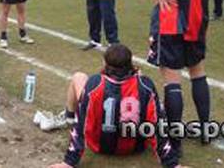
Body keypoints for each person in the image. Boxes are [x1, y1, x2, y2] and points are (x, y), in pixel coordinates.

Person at [133, 0, 213, 153]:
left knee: (171, 80)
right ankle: (205, 130)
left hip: (171, 15)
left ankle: (175, 141)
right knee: (198, 71)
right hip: (198, 14)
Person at [49, 44, 181, 168]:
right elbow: (157, 123)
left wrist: (69, 162)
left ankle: (68, 117)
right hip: (136, 146)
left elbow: (81, 124)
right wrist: (171, 164)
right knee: (155, 104)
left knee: (79, 77)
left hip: (98, 145)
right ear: (130, 63)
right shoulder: (145, 84)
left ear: (105, 63)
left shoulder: (94, 83)